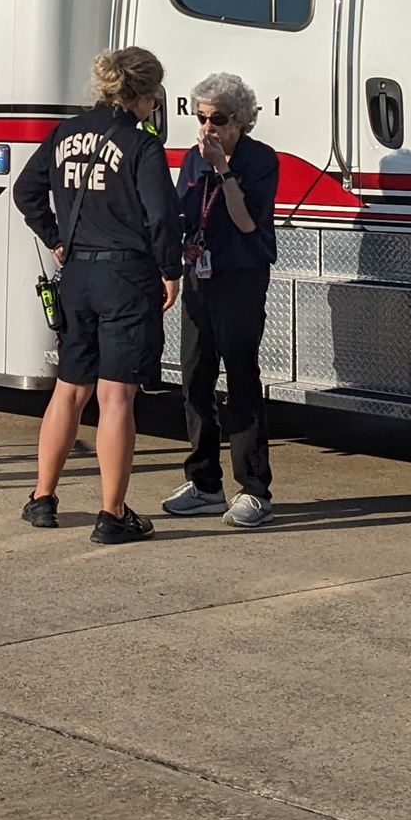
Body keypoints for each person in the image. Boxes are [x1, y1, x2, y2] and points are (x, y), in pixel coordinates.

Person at [11, 46, 181, 544]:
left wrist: (57, 238)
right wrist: (170, 270)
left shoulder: (65, 132)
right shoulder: (141, 145)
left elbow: (26, 191)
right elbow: (161, 217)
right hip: (126, 278)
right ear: (145, 95)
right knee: (116, 395)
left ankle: (43, 498)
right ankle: (112, 513)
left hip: (78, 275)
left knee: (69, 387)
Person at [161, 72, 282, 528]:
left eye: (219, 119)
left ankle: (254, 489)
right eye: (202, 117)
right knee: (194, 376)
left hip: (240, 277)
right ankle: (205, 483)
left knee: (241, 378)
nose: (209, 127)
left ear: (241, 120)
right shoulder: (193, 161)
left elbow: (248, 222)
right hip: (199, 275)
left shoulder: (259, 160)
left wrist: (224, 171)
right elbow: (182, 212)